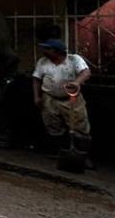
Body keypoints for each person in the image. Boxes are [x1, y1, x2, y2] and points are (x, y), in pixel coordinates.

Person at [32, 39, 93, 169]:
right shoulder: (42, 62)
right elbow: (36, 79)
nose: (44, 51)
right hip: (50, 97)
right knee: (53, 126)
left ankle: (83, 156)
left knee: (80, 127)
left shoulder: (74, 59)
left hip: (71, 97)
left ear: (56, 51)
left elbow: (86, 72)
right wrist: (37, 96)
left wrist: (77, 82)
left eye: (47, 49)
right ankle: (61, 152)